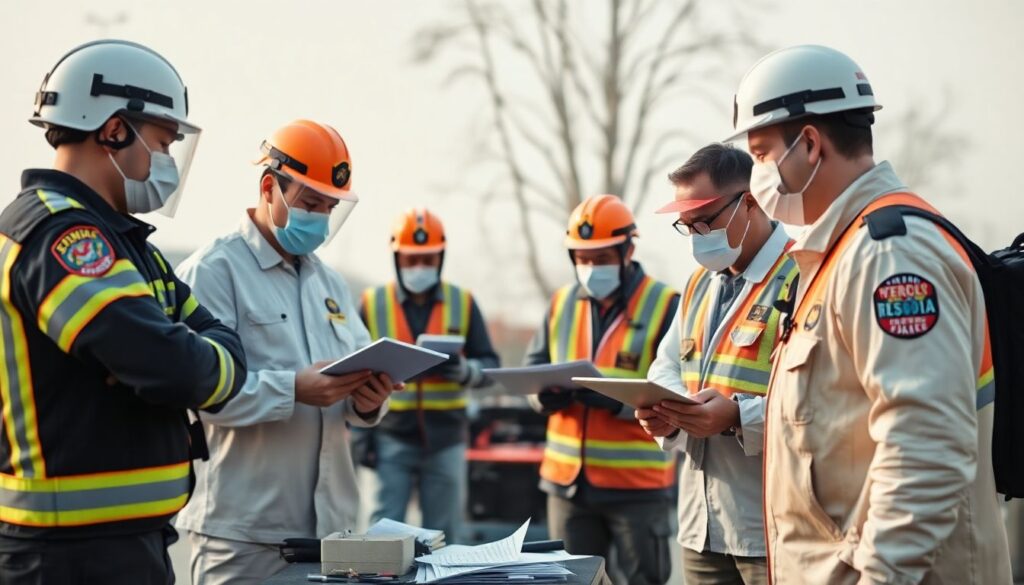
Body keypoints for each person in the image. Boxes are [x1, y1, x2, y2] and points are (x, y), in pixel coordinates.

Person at [727, 44, 1012, 583]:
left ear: (809, 144)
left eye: (762, 154)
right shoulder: (840, 252)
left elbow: (925, 446)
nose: (756, 173)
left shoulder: (888, 253)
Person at [0, 40, 246, 584]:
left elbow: (213, 343)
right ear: (113, 129)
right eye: (162, 141)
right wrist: (186, 357)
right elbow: (177, 368)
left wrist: (191, 356)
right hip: (66, 556)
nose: (167, 163)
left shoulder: (130, 245)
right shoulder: (62, 237)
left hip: (121, 543)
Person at [174, 119, 397, 585]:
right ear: (269, 186)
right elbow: (199, 392)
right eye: (310, 203)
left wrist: (369, 401)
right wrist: (294, 389)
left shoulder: (330, 284)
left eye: (329, 207)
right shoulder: (213, 274)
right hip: (243, 540)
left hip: (331, 538)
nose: (319, 217)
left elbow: (356, 396)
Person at [636, 144, 797, 585]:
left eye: (705, 220)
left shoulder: (803, 274)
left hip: (772, 527)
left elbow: (822, 397)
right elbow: (665, 367)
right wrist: (669, 412)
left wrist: (736, 417)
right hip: (700, 527)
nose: (698, 235)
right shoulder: (698, 285)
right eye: (687, 226)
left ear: (750, 200)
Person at [525, 194, 680, 585]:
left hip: (637, 489)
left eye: (602, 258)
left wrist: (617, 401)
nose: (591, 267)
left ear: (628, 250)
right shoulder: (560, 303)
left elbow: (680, 390)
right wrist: (541, 397)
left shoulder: (665, 305)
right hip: (567, 487)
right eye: (582, 258)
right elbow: (531, 370)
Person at [358, 208, 499, 542]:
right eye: (410, 260)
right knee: (380, 536)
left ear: (441, 258)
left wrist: (466, 372)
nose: (419, 268)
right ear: (396, 259)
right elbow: (352, 369)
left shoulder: (462, 302)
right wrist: (361, 440)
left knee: (445, 536)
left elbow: (491, 366)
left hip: (446, 438)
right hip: (389, 436)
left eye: (428, 260)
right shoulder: (372, 302)